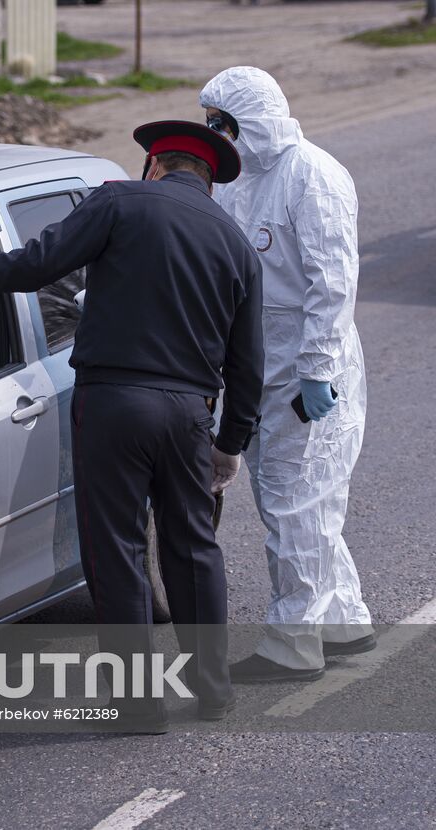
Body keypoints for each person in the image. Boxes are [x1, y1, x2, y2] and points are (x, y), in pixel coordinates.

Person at [0, 122, 263, 728]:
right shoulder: (235, 242)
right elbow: (250, 362)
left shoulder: (117, 202)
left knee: (115, 547)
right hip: (190, 414)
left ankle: (138, 705)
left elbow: (37, 265)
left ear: (153, 166)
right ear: (209, 184)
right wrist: (231, 444)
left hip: (114, 405)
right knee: (193, 546)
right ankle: (212, 688)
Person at [201, 67, 375, 683]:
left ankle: (292, 645)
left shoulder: (314, 177)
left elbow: (333, 284)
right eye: (211, 122)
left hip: (307, 372)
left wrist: (318, 369)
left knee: (294, 504)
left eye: (224, 122)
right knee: (306, 500)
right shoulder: (239, 179)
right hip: (262, 367)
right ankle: (344, 621)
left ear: (254, 118)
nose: (216, 133)